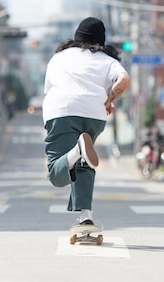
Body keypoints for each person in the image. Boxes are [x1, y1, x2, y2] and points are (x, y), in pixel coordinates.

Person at [42, 17, 130, 228]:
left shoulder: (59, 57)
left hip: (61, 110)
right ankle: (85, 217)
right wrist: (110, 98)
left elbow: (49, 89)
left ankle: (77, 150)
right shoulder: (108, 60)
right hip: (94, 114)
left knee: (57, 174)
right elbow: (124, 80)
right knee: (84, 164)